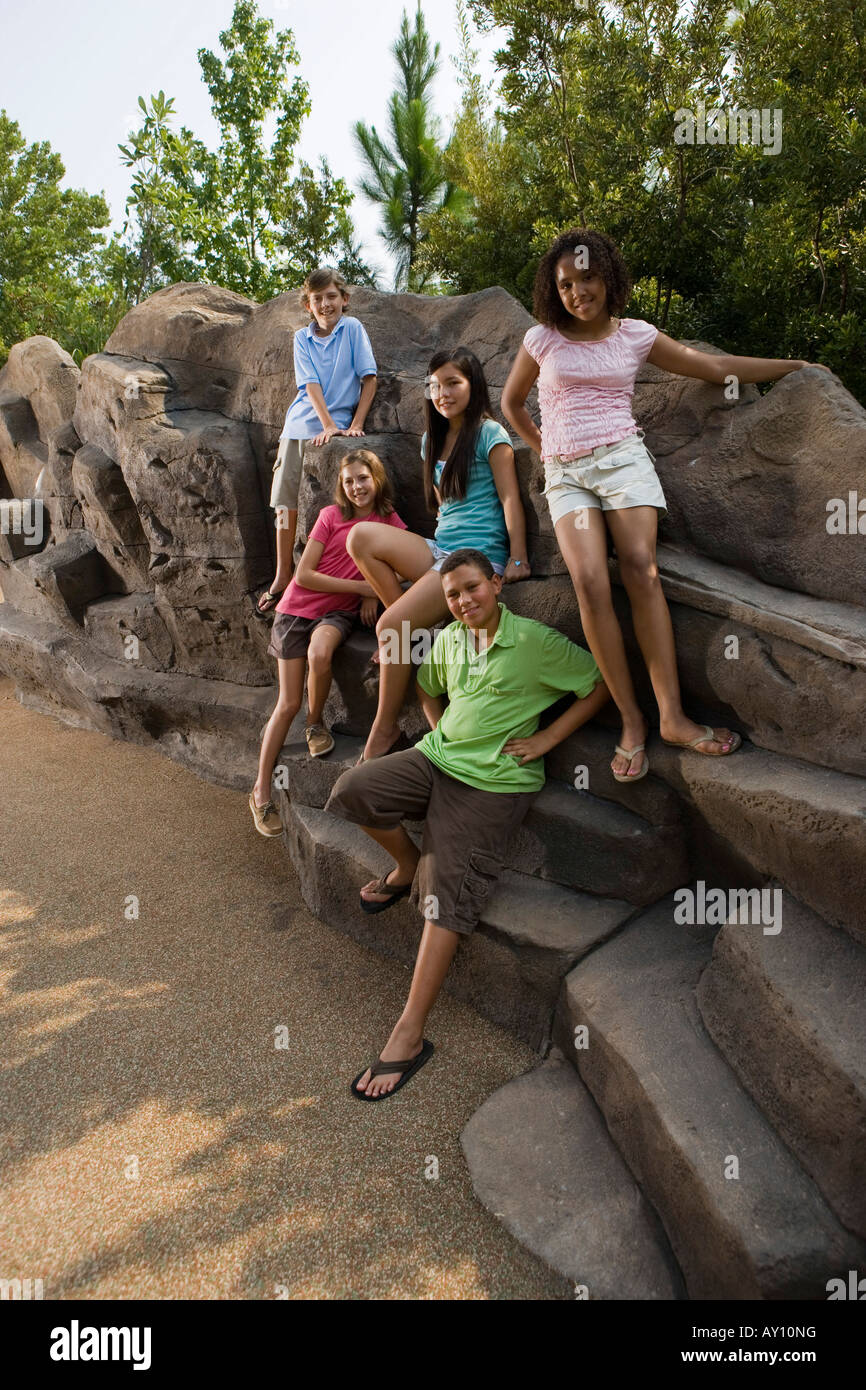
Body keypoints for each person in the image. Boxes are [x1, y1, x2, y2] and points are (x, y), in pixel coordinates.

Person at [501, 226, 832, 783]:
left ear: (606, 276)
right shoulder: (542, 340)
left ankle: (673, 716)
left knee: (641, 569)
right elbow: (511, 403)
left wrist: (793, 368)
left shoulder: (635, 335)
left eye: (587, 278)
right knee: (588, 582)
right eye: (565, 285)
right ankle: (632, 720)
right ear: (551, 290)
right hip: (567, 474)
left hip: (624, 460)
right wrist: (545, 452)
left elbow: (710, 367)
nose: (577, 292)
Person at [323, 547, 609, 1099]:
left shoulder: (534, 642)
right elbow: (427, 686)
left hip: (494, 784)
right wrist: (439, 730)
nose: (462, 601)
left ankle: (408, 1035)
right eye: (452, 594)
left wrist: (549, 738)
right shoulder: (450, 638)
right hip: (437, 759)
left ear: (496, 584)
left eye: (472, 588)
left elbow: (596, 682)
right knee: (351, 791)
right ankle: (405, 864)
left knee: (443, 899)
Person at [345, 347, 531, 762]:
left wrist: (518, 556)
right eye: (435, 385)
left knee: (391, 625)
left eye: (453, 383)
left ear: (473, 386)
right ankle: (416, 629)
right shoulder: (432, 438)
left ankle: (384, 727)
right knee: (359, 538)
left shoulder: (489, 434)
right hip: (439, 549)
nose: (443, 393)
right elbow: (442, 506)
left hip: (475, 555)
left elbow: (510, 498)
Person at [249, 450, 406, 835]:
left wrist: (373, 593)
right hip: (296, 610)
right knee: (287, 703)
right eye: (349, 481)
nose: (357, 487)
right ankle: (260, 790)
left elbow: (401, 568)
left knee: (321, 653)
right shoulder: (330, 517)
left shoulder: (390, 521)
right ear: (341, 485)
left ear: (377, 478)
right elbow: (304, 575)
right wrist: (363, 586)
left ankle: (316, 723)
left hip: (337, 615)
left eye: (363, 478)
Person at [255, 267, 378, 618]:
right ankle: (282, 576)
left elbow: (369, 379)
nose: (325, 304)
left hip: (340, 421)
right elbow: (309, 386)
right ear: (308, 306)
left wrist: (354, 424)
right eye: (317, 299)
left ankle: (339, 579)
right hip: (299, 426)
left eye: (330, 297)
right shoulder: (301, 339)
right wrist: (326, 425)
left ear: (344, 299)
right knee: (284, 503)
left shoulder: (352, 329)